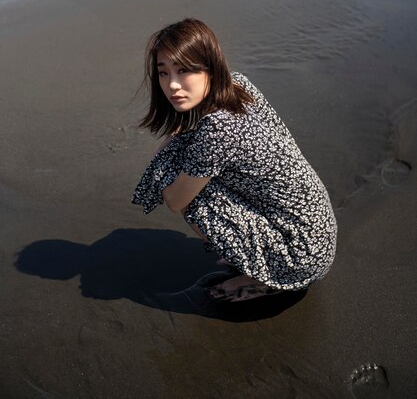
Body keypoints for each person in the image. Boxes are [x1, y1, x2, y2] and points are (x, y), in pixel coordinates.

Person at [132, 18, 337, 302]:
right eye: (163, 73)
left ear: (210, 67)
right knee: (194, 168)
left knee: (183, 186)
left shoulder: (217, 128)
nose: (173, 86)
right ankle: (256, 255)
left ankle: (265, 279)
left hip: (300, 257)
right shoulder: (239, 85)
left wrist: (161, 158)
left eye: (184, 71)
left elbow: (175, 201)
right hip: (317, 234)